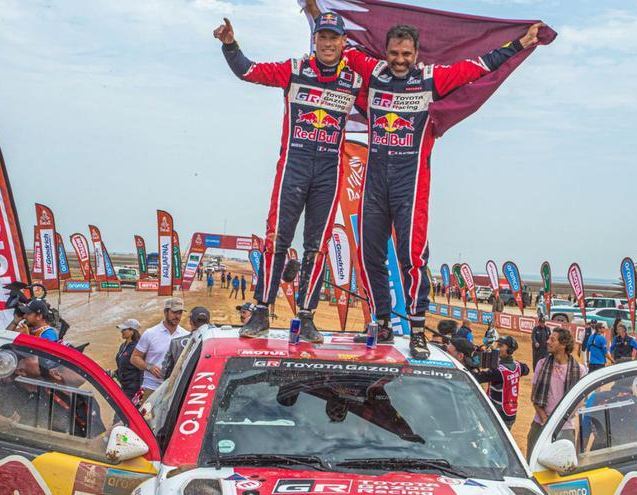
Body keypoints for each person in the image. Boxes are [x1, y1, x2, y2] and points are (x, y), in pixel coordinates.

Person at [288, 13, 544, 360]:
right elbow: (336, 46)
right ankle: (381, 320)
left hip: (410, 185)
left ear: (417, 54)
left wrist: (521, 43)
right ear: (386, 52)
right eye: (394, 53)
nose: (399, 60)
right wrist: (315, 10)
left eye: (406, 54)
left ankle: (418, 328)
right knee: (369, 256)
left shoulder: (430, 80)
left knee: (412, 258)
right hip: (375, 183)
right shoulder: (373, 72)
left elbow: (480, 66)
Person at [215, 13, 363, 344]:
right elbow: (249, 71)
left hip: (328, 170)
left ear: (343, 43)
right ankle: (262, 311)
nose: (327, 43)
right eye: (322, 37)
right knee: (276, 239)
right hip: (294, 166)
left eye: (333, 38)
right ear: (315, 40)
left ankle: (307, 316)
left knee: (317, 247)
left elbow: (385, 106)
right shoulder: (295, 70)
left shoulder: (354, 81)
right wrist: (230, 45)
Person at [528, 328, 587, 455]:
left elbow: (579, 401)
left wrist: (559, 421)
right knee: (532, 465)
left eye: (552, 340)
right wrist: (545, 420)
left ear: (563, 344)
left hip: (565, 427)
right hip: (540, 424)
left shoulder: (580, 370)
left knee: (563, 469)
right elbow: (534, 396)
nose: (547, 342)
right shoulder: (541, 364)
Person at [131, 298, 189, 401]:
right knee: (145, 417)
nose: (177, 316)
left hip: (175, 389)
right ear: (165, 312)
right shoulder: (150, 333)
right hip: (151, 387)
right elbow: (134, 358)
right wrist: (149, 367)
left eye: (180, 313)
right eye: (174, 312)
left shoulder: (186, 336)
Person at [471, 336, 529, 430]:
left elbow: (477, 377)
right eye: (497, 345)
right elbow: (526, 369)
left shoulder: (498, 371)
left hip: (499, 413)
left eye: (501, 345)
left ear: (510, 350)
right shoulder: (518, 366)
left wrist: (474, 363)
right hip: (510, 411)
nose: (497, 348)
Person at [162, 307, 215, 380]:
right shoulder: (218, 341)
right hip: (210, 384)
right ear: (208, 322)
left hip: (183, 388)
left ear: (191, 322)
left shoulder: (176, 343)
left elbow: (165, 373)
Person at [114, 318, 143, 402]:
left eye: (124, 329)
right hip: (124, 387)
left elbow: (141, 369)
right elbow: (123, 365)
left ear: (132, 331)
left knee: (119, 414)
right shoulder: (123, 346)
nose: (121, 331)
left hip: (133, 389)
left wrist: (141, 390)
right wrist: (114, 373)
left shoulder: (137, 347)